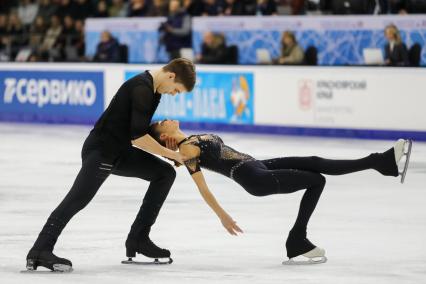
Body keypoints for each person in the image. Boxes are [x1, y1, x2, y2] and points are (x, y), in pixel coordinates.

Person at [149, 119, 412, 264]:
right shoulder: (186, 152)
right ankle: (297, 240)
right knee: (316, 180)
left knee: (314, 161)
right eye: (162, 122)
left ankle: (382, 162)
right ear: (163, 136)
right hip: (256, 178)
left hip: (259, 165)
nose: (167, 118)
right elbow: (202, 188)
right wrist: (223, 216)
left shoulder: (190, 140)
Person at [25, 58, 196, 272]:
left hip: (120, 151)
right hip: (102, 151)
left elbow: (140, 128)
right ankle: (40, 250)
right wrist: (173, 154)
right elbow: (138, 137)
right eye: (177, 90)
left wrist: (166, 144)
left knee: (164, 173)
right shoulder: (141, 88)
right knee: (77, 199)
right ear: (171, 76)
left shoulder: (154, 91)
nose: (174, 94)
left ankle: (138, 239)